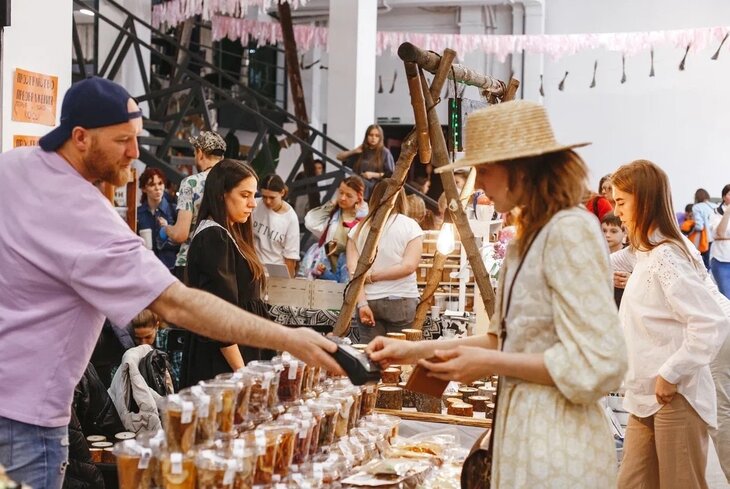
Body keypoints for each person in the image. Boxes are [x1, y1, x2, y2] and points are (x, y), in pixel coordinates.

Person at [0, 76, 342, 489]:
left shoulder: (13, 165)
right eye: (123, 140)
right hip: (29, 421)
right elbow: (178, 304)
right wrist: (291, 340)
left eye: (137, 137)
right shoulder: (88, 216)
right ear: (81, 138)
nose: (135, 152)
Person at [366, 100, 627, 488]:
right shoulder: (526, 240)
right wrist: (412, 351)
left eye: (485, 169)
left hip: (559, 449)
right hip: (522, 437)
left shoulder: (570, 231)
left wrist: (491, 363)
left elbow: (603, 361)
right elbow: (502, 339)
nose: (479, 182)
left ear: (520, 170)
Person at [610, 160, 729, 489]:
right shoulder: (647, 249)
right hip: (646, 393)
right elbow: (613, 260)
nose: (616, 211)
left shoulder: (666, 255)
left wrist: (671, 373)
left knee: (680, 480)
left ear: (644, 200)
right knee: (633, 481)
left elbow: (710, 322)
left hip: (672, 393)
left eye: (621, 202)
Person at [181, 160, 277, 386]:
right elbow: (220, 315)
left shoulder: (230, 233)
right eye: (245, 195)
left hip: (241, 353)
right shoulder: (214, 237)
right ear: (222, 194)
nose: (253, 204)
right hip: (225, 364)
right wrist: (243, 373)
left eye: (253, 195)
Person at [347, 179, 423, 344]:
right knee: (399, 353)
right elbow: (408, 266)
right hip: (401, 299)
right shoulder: (410, 226)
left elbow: (353, 271)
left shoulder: (358, 229)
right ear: (401, 198)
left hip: (369, 300)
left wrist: (362, 304)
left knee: (371, 354)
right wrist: (374, 277)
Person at [162, 130, 227, 280]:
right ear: (221, 157)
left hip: (190, 262)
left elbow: (181, 234)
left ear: (200, 153)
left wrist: (166, 229)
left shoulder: (191, 183)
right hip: (221, 265)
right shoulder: (230, 184)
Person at [300, 176, 368, 282]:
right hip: (327, 269)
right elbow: (310, 222)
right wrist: (331, 203)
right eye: (341, 192)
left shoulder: (364, 217)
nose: (343, 198)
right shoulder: (334, 213)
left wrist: (361, 206)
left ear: (359, 197)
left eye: (349, 195)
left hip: (349, 272)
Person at [252, 174, 300, 277]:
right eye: (264, 197)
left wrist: (288, 283)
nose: (268, 201)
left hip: (274, 273)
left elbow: (290, 257)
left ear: (282, 193)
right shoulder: (255, 205)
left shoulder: (290, 218)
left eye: (272, 197)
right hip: (252, 268)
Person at [137, 167, 179, 271]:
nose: (157, 188)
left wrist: (168, 229)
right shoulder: (137, 214)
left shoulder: (174, 210)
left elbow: (182, 243)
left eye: (160, 183)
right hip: (146, 268)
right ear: (144, 189)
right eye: (152, 184)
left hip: (170, 269)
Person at [337, 124, 394, 197]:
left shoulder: (385, 152)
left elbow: (390, 174)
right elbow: (339, 157)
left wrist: (373, 174)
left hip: (375, 191)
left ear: (380, 138)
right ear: (367, 136)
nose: (373, 138)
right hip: (357, 189)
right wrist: (354, 151)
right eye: (371, 135)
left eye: (377, 136)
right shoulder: (361, 150)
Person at [601, 212, 628, 308]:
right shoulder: (597, 254)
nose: (607, 235)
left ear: (624, 232)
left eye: (613, 231)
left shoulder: (631, 255)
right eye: (604, 231)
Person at [692, 187, 717, 270]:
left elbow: (699, 226)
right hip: (717, 238)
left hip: (705, 239)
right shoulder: (715, 206)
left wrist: (691, 229)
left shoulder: (696, 207)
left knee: (705, 263)